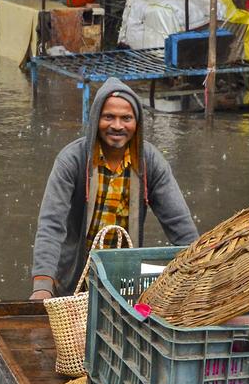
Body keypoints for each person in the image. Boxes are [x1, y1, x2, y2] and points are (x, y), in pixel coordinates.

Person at [29, 78, 198, 300]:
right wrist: (42, 284)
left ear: (137, 124)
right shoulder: (72, 160)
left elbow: (179, 224)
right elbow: (51, 225)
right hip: (73, 279)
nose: (117, 126)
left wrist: (199, 265)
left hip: (124, 280)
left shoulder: (149, 162)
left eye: (126, 118)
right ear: (96, 119)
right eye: (108, 117)